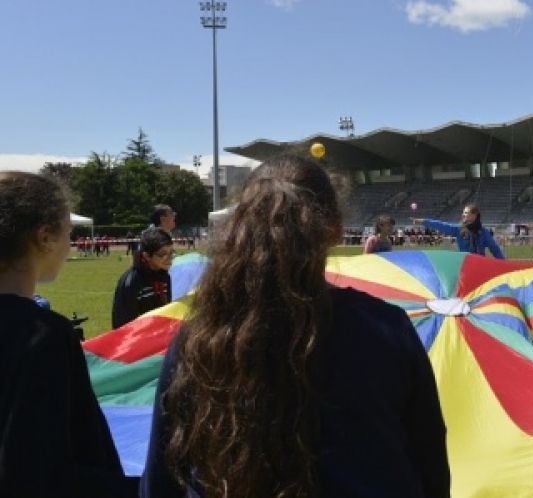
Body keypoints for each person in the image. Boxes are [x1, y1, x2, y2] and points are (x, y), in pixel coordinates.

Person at [140, 155, 450, 498]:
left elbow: (161, 482)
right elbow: (431, 471)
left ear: (239, 226)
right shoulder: (385, 331)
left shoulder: (197, 340)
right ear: (334, 229)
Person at [0, 171, 135, 497]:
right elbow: (38, 474)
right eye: (68, 233)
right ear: (45, 237)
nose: (69, 245)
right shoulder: (42, 335)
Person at [111, 228, 174, 329]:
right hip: (138, 339)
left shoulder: (165, 276)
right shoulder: (132, 281)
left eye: (171, 252)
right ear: (147, 256)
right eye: (163, 254)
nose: (169, 258)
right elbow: (123, 324)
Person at [413, 203, 504, 259]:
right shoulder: (458, 229)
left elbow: (495, 249)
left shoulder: (483, 232)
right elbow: (441, 225)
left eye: (466, 213)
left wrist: (504, 265)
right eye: (463, 212)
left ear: (474, 215)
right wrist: (423, 221)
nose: (463, 215)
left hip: (479, 266)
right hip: (464, 266)